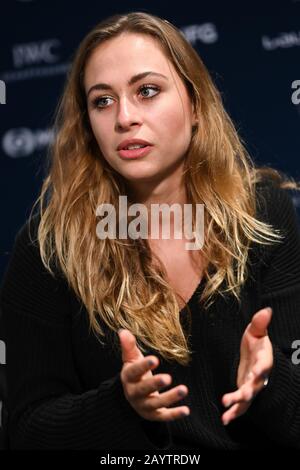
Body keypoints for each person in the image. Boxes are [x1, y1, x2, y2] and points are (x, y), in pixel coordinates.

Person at [1, 11, 300, 451]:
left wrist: (269, 380)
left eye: (147, 91)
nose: (124, 118)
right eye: (102, 101)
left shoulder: (263, 214)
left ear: (196, 105)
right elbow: (25, 432)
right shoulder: (48, 249)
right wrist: (122, 405)